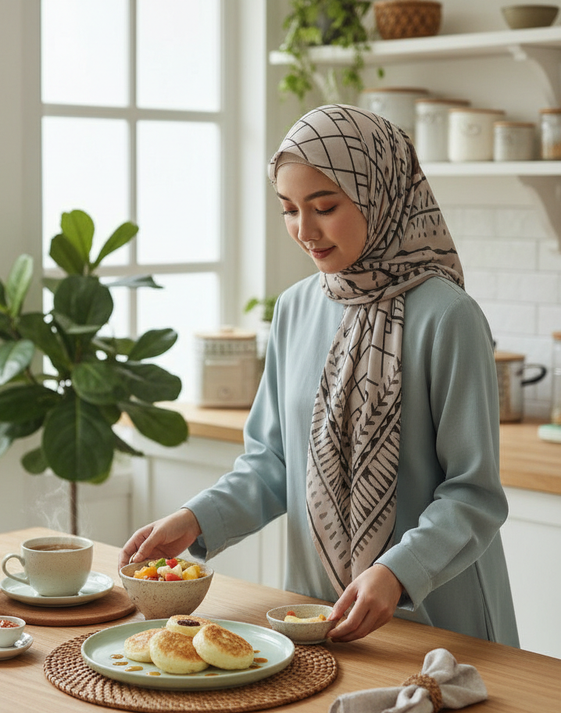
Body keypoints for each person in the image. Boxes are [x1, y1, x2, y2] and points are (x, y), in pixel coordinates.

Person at [119, 104, 519, 646]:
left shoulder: (449, 317)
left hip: (434, 613)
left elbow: (474, 495)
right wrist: (196, 519)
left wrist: (399, 571)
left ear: (380, 195)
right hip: (315, 611)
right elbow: (273, 464)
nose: (305, 231)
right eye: (288, 209)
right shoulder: (294, 308)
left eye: (325, 207)